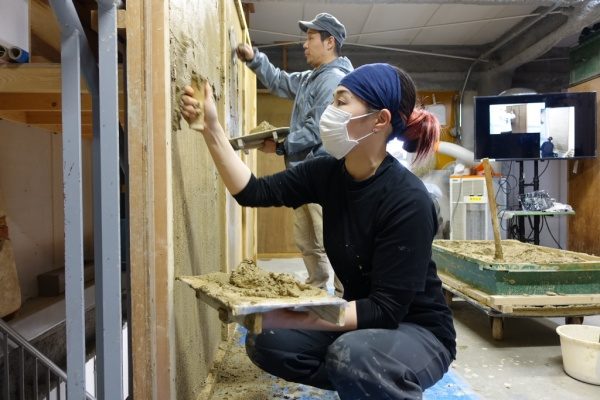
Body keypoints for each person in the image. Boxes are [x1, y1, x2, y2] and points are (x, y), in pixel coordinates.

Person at [180, 63, 456, 399]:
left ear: (379, 120)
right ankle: (362, 379)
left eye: (341, 102)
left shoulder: (408, 200)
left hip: (417, 330)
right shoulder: (327, 173)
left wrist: (282, 314)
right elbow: (252, 192)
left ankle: (377, 377)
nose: (330, 111)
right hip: (364, 322)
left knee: (353, 356)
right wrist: (212, 129)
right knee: (269, 342)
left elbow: (384, 310)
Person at [236, 13, 353, 291]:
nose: (304, 44)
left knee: (331, 239)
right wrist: (254, 58)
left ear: (329, 43)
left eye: (311, 38)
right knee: (307, 239)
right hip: (305, 173)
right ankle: (316, 288)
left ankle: (344, 294)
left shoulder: (332, 80)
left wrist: (280, 145)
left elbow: (318, 130)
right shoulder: (313, 78)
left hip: (323, 174)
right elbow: (279, 81)